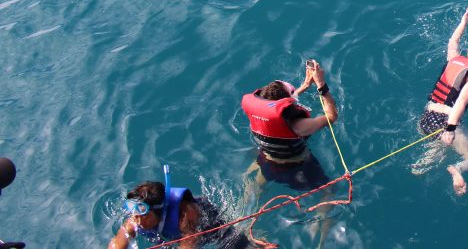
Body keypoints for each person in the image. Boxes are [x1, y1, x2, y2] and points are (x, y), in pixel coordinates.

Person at [240, 59, 339, 246]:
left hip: (266, 164)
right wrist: (321, 86)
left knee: (251, 193)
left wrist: (304, 86)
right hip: (298, 169)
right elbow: (332, 116)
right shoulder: (300, 126)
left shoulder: (259, 114)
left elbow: (279, 108)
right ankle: (318, 232)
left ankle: (243, 229)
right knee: (330, 191)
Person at [413, 7, 468, 195]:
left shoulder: (455, 59)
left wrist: (463, 23)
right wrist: (450, 129)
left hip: (427, 117)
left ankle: (420, 167)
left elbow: (453, 41)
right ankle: (456, 169)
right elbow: (460, 102)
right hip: (444, 122)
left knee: (436, 152)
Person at [107, 173, 249, 249]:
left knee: (237, 244)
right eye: (135, 215)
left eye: (144, 216)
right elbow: (117, 242)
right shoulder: (136, 219)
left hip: (212, 229)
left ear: (160, 211)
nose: (138, 221)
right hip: (171, 235)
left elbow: (188, 245)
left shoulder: (186, 216)